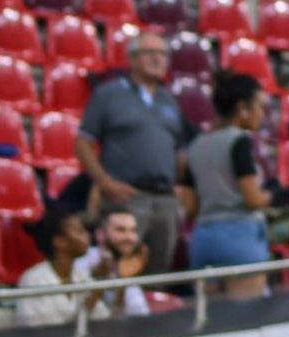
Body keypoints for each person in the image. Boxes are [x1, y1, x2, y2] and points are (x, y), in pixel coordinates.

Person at [75, 30, 188, 274]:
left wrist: (178, 186)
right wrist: (105, 183)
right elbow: (83, 144)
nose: (158, 59)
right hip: (126, 197)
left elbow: (177, 150)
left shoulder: (169, 100)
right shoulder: (109, 94)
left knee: (157, 273)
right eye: (150, 53)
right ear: (133, 58)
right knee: (117, 268)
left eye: (162, 54)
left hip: (164, 200)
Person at [179, 72, 271, 300]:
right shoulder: (240, 141)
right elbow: (253, 199)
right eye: (259, 106)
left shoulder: (196, 145)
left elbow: (189, 208)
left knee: (211, 324)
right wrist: (275, 196)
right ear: (243, 107)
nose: (262, 113)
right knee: (246, 320)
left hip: (202, 240)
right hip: (240, 238)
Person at [14, 210, 111, 326]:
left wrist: (100, 282)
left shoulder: (81, 276)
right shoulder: (33, 280)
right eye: (80, 231)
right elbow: (50, 333)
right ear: (59, 242)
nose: (87, 235)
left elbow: (102, 317)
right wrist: (96, 291)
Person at [82, 207, 151, 317]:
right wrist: (100, 279)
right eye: (120, 230)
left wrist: (123, 283)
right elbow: (75, 318)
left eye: (133, 231)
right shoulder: (82, 261)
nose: (129, 237)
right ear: (100, 234)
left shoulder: (128, 267)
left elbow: (127, 320)